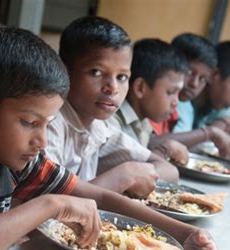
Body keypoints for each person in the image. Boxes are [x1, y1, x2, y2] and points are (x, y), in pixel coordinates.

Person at [0, 26, 220, 250]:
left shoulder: (18, 160)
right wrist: (49, 204)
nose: (41, 141)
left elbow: (101, 198)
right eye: (29, 122)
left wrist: (183, 234)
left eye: (48, 123)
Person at [45, 16, 179, 198]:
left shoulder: (100, 129)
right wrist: (123, 176)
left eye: (122, 77)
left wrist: (132, 174)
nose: (113, 88)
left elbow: (170, 171)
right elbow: (47, 203)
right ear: (65, 72)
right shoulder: (50, 124)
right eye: (96, 72)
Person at [149, 33, 230, 159]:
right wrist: (209, 133)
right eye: (189, 72)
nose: (194, 83)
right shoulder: (156, 99)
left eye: (202, 79)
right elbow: (148, 144)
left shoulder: (185, 105)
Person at [110, 38, 190, 165]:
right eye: (170, 92)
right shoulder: (112, 122)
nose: (176, 102)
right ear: (140, 88)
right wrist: (163, 151)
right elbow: (130, 174)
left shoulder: (144, 123)